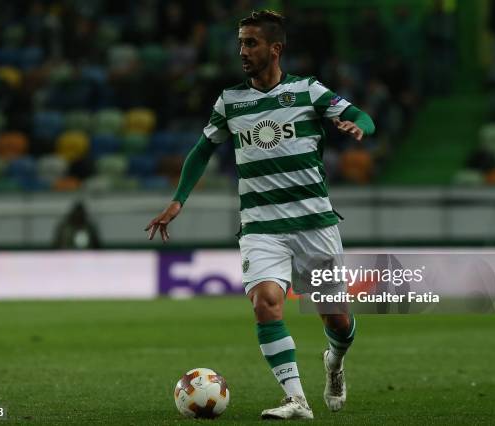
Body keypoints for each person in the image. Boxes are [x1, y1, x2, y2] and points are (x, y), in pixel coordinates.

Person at [145, 10, 375, 420]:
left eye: (251, 43)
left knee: (337, 320)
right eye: (240, 43)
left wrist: (358, 127)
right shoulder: (230, 101)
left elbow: (362, 115)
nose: (243, 51)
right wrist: (179, 199)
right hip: (261, 225)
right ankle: (296, 399)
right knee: (266, 303)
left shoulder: (308, 90)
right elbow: (202, 150)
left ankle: (335, 363)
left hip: (314, 224)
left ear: (276, 48)